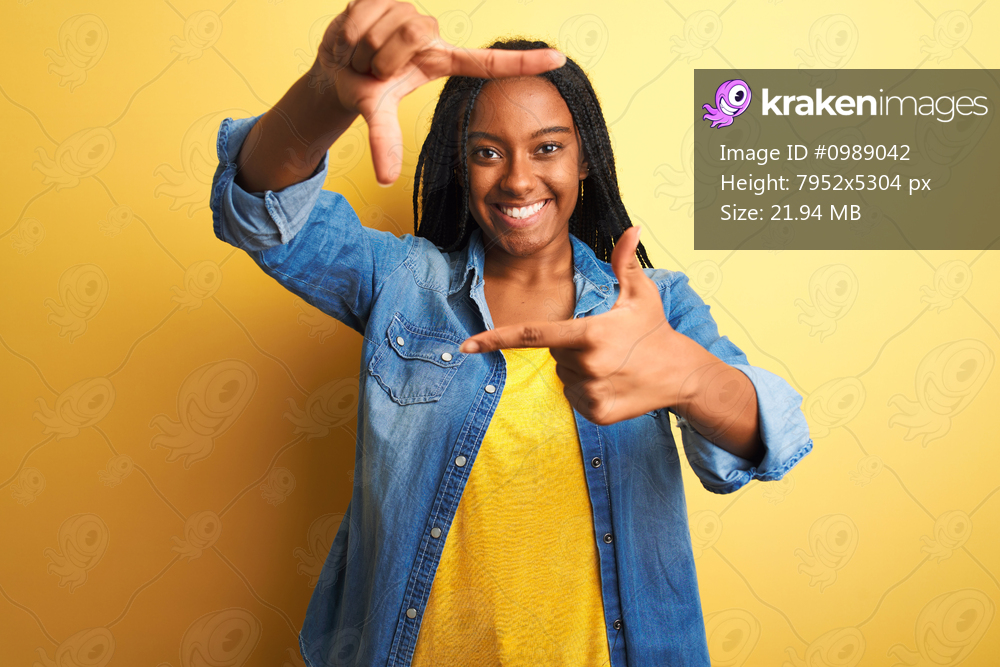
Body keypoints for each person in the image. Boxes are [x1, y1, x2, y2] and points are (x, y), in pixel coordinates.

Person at [209, 1, 813, 665]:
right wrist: (324, 92)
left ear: (585, 160)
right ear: (459, 169)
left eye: (548, 147)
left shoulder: (654, 303)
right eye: (487, 153)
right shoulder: (400, 279)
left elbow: (766, 435)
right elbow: (260, 215)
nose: (520, 178)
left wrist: (691, 377)